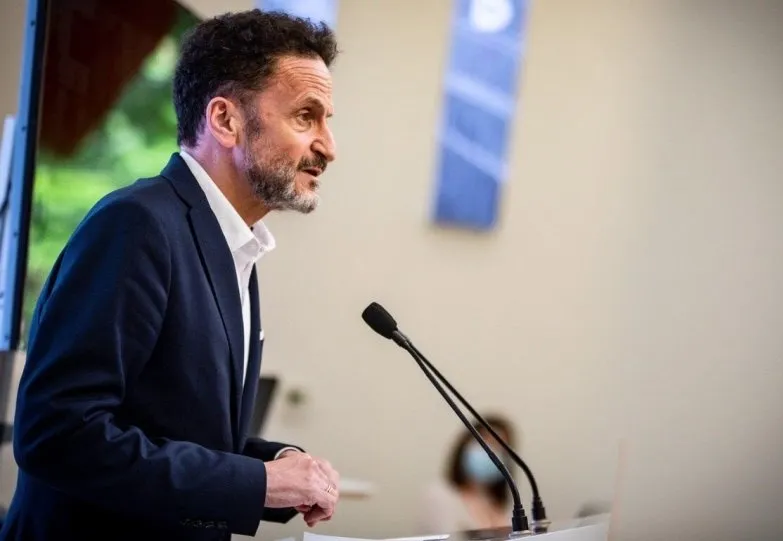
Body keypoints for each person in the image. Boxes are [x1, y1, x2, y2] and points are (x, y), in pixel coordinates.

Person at [0, 10, 341, 541]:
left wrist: (283, 467)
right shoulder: (137, 225)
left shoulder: (234, 248)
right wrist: (258, 482)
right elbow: (58, 433)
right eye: (305, 116)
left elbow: (176, 431)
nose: (328, 146)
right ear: (225, 120)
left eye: (326, 121)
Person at [420, 415, 517, 534]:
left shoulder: (505, 503)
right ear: (465, 445)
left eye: (499, 447)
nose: (492, 451)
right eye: (486, 442)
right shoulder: (439, 495)